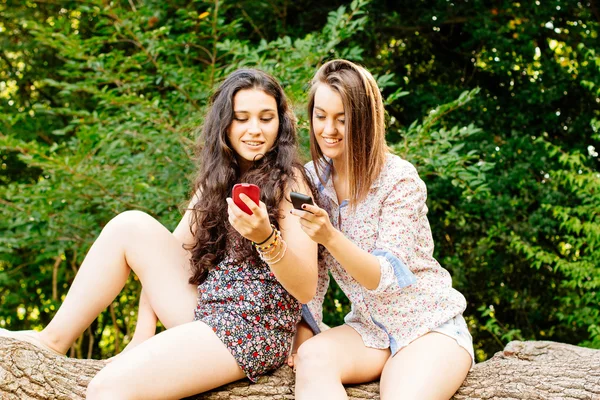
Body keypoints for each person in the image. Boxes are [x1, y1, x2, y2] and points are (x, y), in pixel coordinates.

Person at [0, 68, 318, 399]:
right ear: (225, 123)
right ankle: (53, 340)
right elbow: (168, 257)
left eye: (266, 118)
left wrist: (266, 238)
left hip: (252, 329)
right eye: (242, 118)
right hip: (206, 308)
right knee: (130, 225)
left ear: (280, 123)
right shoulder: (218, 179)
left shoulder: (291, 182)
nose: (255, 130)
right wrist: (142, 336)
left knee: (107, 388)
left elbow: (306, 286)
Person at [288, 59, 474, 400]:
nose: (329, 129)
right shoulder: (311, 179)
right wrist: (305, 329)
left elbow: (384, 276)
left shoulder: (400, 180)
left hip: (427, 327)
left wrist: (330, 235)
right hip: (368, 331)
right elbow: (310, 272)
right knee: (313, 357)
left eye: (343, 119)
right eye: (321, 116)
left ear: (365, 120)